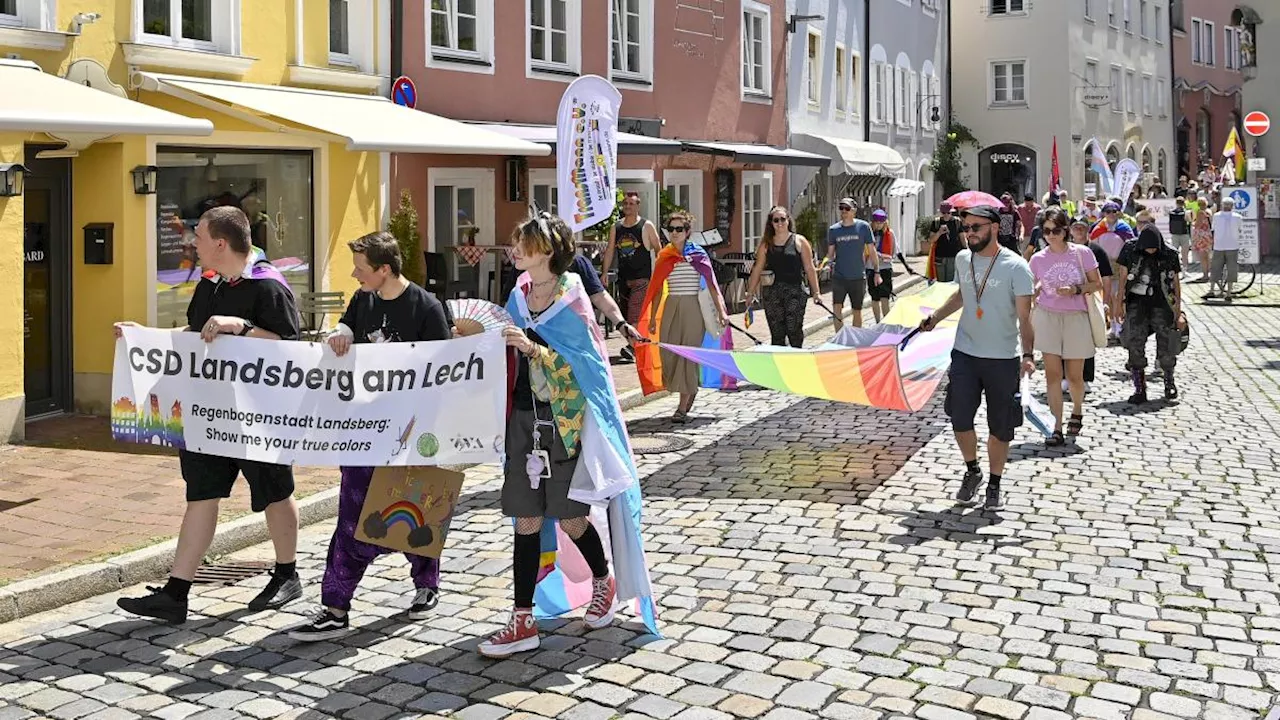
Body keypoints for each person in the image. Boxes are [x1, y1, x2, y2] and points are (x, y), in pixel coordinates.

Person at [113, 207, 303, 624]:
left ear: (220, 242)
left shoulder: (267, 286)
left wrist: (242, 326)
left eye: (197, 237)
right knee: (201, 494)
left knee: (274, 491)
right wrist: (142, 336)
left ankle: (287, 574)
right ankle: (176, 594)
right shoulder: (210, 283)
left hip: (259, 416)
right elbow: (195, 336)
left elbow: (291, 347)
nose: (191, 245)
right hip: (208, 412)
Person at [484, 212, 656, 658]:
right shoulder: (518, 296)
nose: (515, 249)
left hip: (565, 424)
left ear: (546, 251)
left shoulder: (573, 299)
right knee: (525, 517)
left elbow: (584, 369)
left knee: (570, 516)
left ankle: (603, 580)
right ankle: (523, 620)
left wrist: (532, 348)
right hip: (523, 419)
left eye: (524, 243)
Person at [918, 205, 1036, 511]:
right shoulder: (962, 259)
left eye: (975, 228)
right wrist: (935, 317)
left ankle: (995, 483)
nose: (968, 233)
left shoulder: (1016, 266)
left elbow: (1025, 317)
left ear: (994, 228)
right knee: (959, 418)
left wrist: (1027, 355)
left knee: (1000, 427)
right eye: (965, 228)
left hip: (1002, 357)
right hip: (965, 354)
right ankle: (973, 471)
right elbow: (961, 296)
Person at [637, 210, 731, 422]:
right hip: (671, 307)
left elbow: (712, 285)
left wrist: (722, 311)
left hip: (693, 308)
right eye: (671, 229)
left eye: (679, 229)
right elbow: (658, 288)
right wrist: (652, 318)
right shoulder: (664, 256)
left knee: (688, 355)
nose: (675, 233)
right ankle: (689, 389)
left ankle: (681, 407)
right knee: (669, 354)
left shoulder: (698, 254)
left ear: (687, 232)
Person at [1028, 208, 1103, 446]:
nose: (1051, 235)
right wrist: (1035, 290)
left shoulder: (1083, 253)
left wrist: (1075, 290)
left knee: (1074, 376)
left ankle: (1077, 409)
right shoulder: (1037, 259)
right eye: (1046, 231)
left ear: (1066, 230)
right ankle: (1056, 426)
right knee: (1052, 374)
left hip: (1076, 317)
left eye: (1056, 230)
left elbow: (1097, 284)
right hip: (1047, 316)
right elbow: (1030, 287)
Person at [1115, 226, 1184, 403]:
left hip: (1162, 302)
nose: (1151, 251)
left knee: (1167, 343)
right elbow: (1123, 278)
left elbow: (1175, 282)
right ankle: (1140, 387)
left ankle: (1169, 381)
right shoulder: (1130, 249)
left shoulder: (1170, 253)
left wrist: (1178, 311)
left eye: (1154, 248)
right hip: (1136, 302)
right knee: (1134, 342)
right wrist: (1118, 303)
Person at [745, 206, 824, 347]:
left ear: (788, 220)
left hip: (795, 292)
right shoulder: (766, 244)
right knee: (777, 334)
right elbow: (757, 269)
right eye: (776, 220)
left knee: (794, 330)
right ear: (771, 223)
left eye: (783, 219)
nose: (780, 223)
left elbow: (809, 268)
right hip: (772, 293)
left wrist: (816, 292)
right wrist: (750, 292)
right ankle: (780, 364)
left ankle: (797, 361)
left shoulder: (799, 241)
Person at [601, 192, 661, 362]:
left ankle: (632, 347)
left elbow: (658, 248)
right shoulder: (617, 227)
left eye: (631, 203)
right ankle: (638, 345)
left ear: (638, 206)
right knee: (626, 315)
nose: (627, 206)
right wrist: (605, 272)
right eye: (625, 203)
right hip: (624, 278)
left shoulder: (646, 225)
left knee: (635, 313)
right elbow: (610, 250)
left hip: (642, 278)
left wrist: (660, 271)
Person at [1071, 216, 1112, 392]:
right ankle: (1067, 376)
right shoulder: (1064, 250)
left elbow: (1106, 279)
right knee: (1068, 340)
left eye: (1082, 227)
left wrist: (1106, 302)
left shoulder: (1097, 251)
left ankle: (1086, 377)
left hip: (1091, 301)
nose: (1079, 231)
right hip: (1068, 302)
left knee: (1087, 341)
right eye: (1076, 227)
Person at [825, 199, 877, 330]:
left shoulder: (863, 227)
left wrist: (877, 271)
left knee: (857, 310)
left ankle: (855, 339)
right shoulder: (834, 230)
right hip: (839, 276)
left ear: (854, 211)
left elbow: (871, 250)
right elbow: (830, 253)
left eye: (847, 208)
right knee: (837, 308)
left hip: (857, 276)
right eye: (841, 208)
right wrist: (825, 264)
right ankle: (839, 338)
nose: (843, 211)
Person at [1089, 202, 1135, 338]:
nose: (1111, 214)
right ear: (1103, 213)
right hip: (1104, 264)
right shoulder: (1099, 228)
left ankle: (1119, 324)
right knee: (1106, 296)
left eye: (1114, 211)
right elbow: (1093, 245)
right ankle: (1111, 324)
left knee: (1118, 295)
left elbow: (1131, 244)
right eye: (1108, 211)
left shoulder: (1124, 227)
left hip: (1120, 264)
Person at [1208, 197, 1242, 299]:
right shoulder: (1238, 217)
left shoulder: (1216, 216)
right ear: (1232, 206)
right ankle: (1229, 292)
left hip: (1219, 245)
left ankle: (1212, 290)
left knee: (1215, 268)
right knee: (1232, 269)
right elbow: (1240, 229)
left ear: (1222, 205)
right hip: (1233, 245)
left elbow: (1213, 229)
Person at [867, 209, 896, 322]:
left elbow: (893, 252)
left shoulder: (890, 234)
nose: (878, 225)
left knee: (885, 296)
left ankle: (886, 321)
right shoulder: (868, 234)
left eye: (881, 222)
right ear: (873, 222)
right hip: (871, 267)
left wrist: (884, 256)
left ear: (885, 222)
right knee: (874, 297)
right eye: (876, 222)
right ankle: (878, 321)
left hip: (885, 268)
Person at [927, 201, 964, 282]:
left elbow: (963, 239)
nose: (946, 215)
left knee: (951, 282)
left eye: (948, 212)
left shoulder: (957, 222)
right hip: (940, 257)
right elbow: (931, 240)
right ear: (941, 212)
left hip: (953, 256)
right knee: (940, 282)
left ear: (951, 212)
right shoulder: (936, 222)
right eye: (944, 212)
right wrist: (939, 232)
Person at [1190, 197, 1214, 283]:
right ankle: (1209, 274)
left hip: (1201, 236)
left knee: (1203, 257)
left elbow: (1197, 225)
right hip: (1208, 235)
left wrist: (1192, 221)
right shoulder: (1209, 211)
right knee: (1207, 256)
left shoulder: (1200, 212)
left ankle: (1205, 275)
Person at [1168, 196, 1192, 273]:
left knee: (1174, 253)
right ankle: (1185, 270)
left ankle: (1174, 269)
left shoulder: (1171, 212)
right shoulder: (1186, 212)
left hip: (1174, 234)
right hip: (1184, 234)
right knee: (1185, 254)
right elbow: (1190, 220)